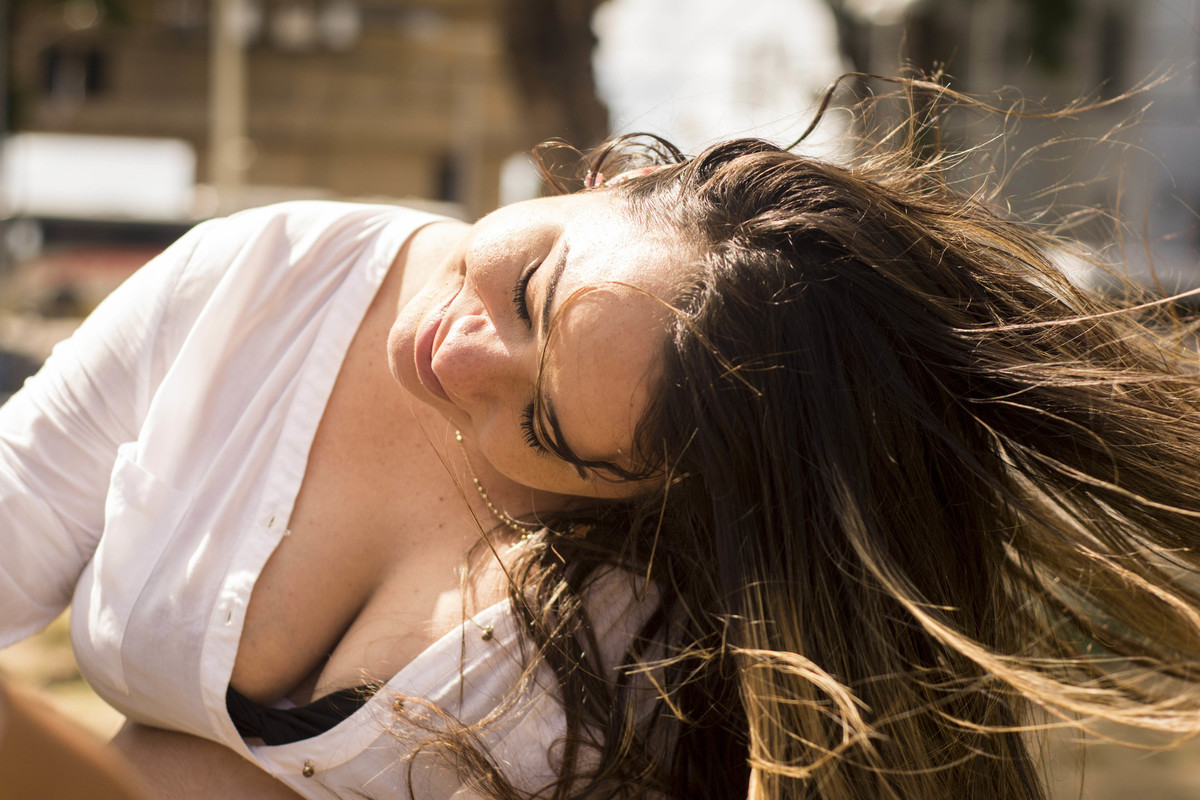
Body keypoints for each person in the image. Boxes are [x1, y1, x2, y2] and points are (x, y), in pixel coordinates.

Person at [5, 76, 1200, 799]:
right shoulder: (266, 277)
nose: (461, 358)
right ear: (612, 180)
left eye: (541, 424)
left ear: (651, 488)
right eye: (532, 288)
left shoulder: (686, 635)